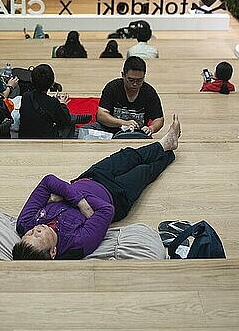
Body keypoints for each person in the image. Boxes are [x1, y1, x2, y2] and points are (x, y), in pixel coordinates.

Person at [12, 115, 181, 260]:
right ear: (53, 252)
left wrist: (78, 201)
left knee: (128, 155)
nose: (35, 230)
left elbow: (48, 181)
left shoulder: (24, 223)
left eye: (28, 235)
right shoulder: (77, 243)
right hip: (116, 195)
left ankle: (165, 144)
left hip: (89, 177)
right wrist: (71, 197)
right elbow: (106, 211)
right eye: (38, 237)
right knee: (144, 171)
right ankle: (168, 154)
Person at [95, 56, 164, 137]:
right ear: (123, 75)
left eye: (139, 80)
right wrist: (123, 123)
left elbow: (159, 119)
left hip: (137, 133)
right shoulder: (112, 88)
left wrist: (152, 128)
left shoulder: (149, 92)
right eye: (131, 80)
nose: (135, 84)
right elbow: (101, 115)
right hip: (109, 131)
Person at [19, 64, 74, 139]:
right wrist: (62, 104)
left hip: (24, 137)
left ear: (32, 80)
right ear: (52, 83)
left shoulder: (26, 96)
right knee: (70, 125)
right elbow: (64, 122)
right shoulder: (53, 103)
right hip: (45, 141)